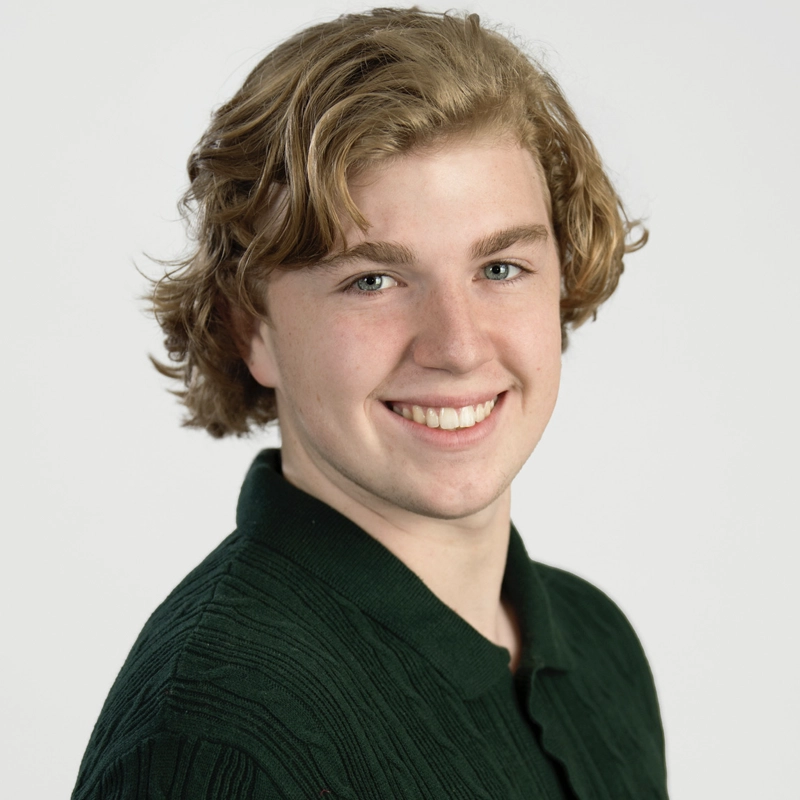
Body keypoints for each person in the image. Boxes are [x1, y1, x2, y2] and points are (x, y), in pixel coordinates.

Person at [72, 8, 667, 798]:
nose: (456, 346)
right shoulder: (220, 741)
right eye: (372, 281)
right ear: (252, 330)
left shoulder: (598, 647)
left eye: (499, 268)